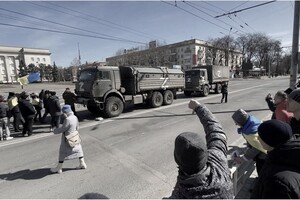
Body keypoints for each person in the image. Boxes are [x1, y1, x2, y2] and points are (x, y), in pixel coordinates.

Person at [167, 99, 233, 199]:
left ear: (177, 160)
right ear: (205, 152)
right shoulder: (218, 159)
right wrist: (199, 107)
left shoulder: (182, 194)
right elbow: (216, 130)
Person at [251, 119, 300, 199]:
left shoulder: (276, 182)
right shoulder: (289, 154)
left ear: (270, 140)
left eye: (260, 136)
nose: (258, 139)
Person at [50, 104, 87, 174]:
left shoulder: (67, 119)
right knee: (78, 149)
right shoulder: (75, 117)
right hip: (75, 136)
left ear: (65, 112)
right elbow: (77, 127)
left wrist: (55, 131)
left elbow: (63, 129)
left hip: (67, 138)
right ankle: (82, 163)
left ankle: (59, 168)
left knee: (62, 152)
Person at [231, 109, 267, 175]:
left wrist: (243, 158)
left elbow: (256, 147)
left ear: (241, 121)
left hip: (264, 156)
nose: (236, 124)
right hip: (264, 154)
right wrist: (243, 151)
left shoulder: (250, 132)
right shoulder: (252, 124)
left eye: (236, 122)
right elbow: (252, 143)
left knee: (262, 172)